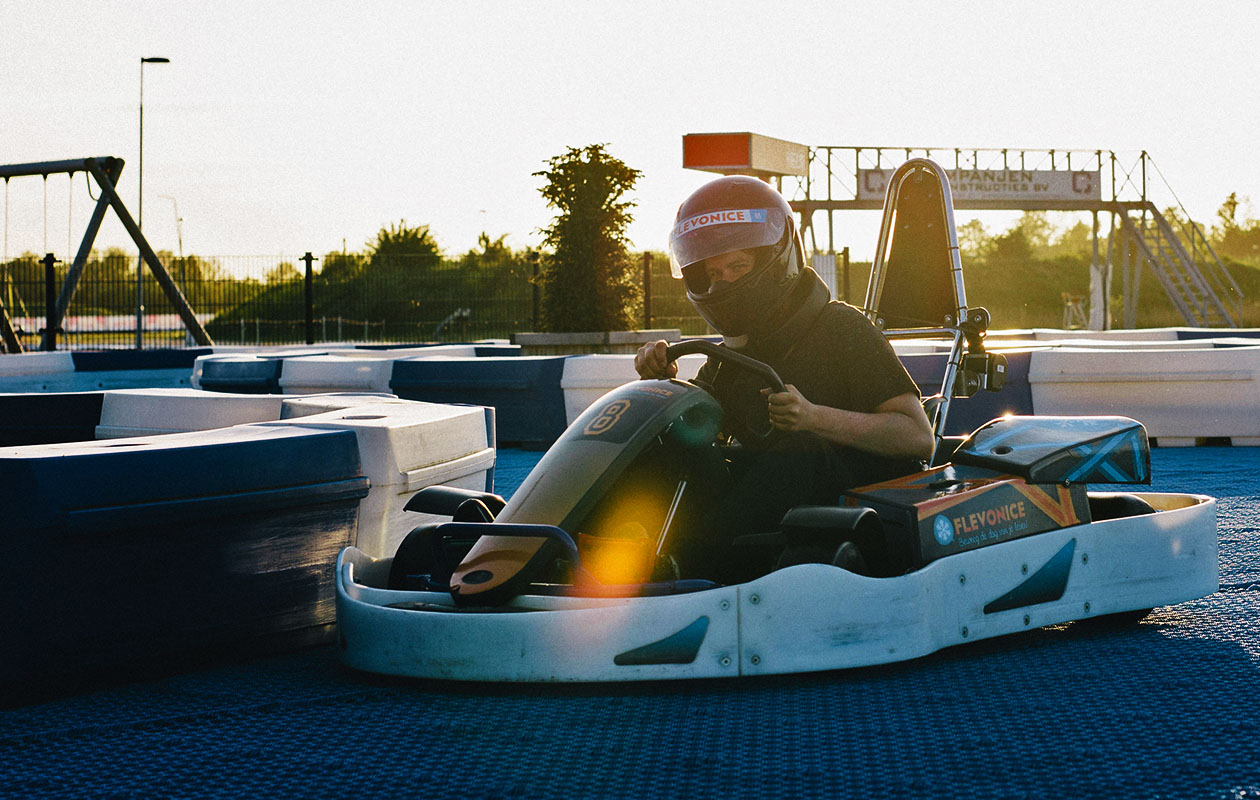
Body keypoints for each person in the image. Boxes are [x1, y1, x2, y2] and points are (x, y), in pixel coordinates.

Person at [634, 175, 934, 582]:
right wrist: (663, 382)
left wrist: (813, 417)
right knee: (670, 444)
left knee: (798, 446)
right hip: (764, 517)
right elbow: (699, 431)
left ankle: (691, 561)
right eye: (715, 272)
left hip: (852, 505)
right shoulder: (730, 353)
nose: (726, 281)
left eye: (738, 266)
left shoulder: (843, 327)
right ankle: (604, 544)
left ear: (776, 260)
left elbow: (917, 436)